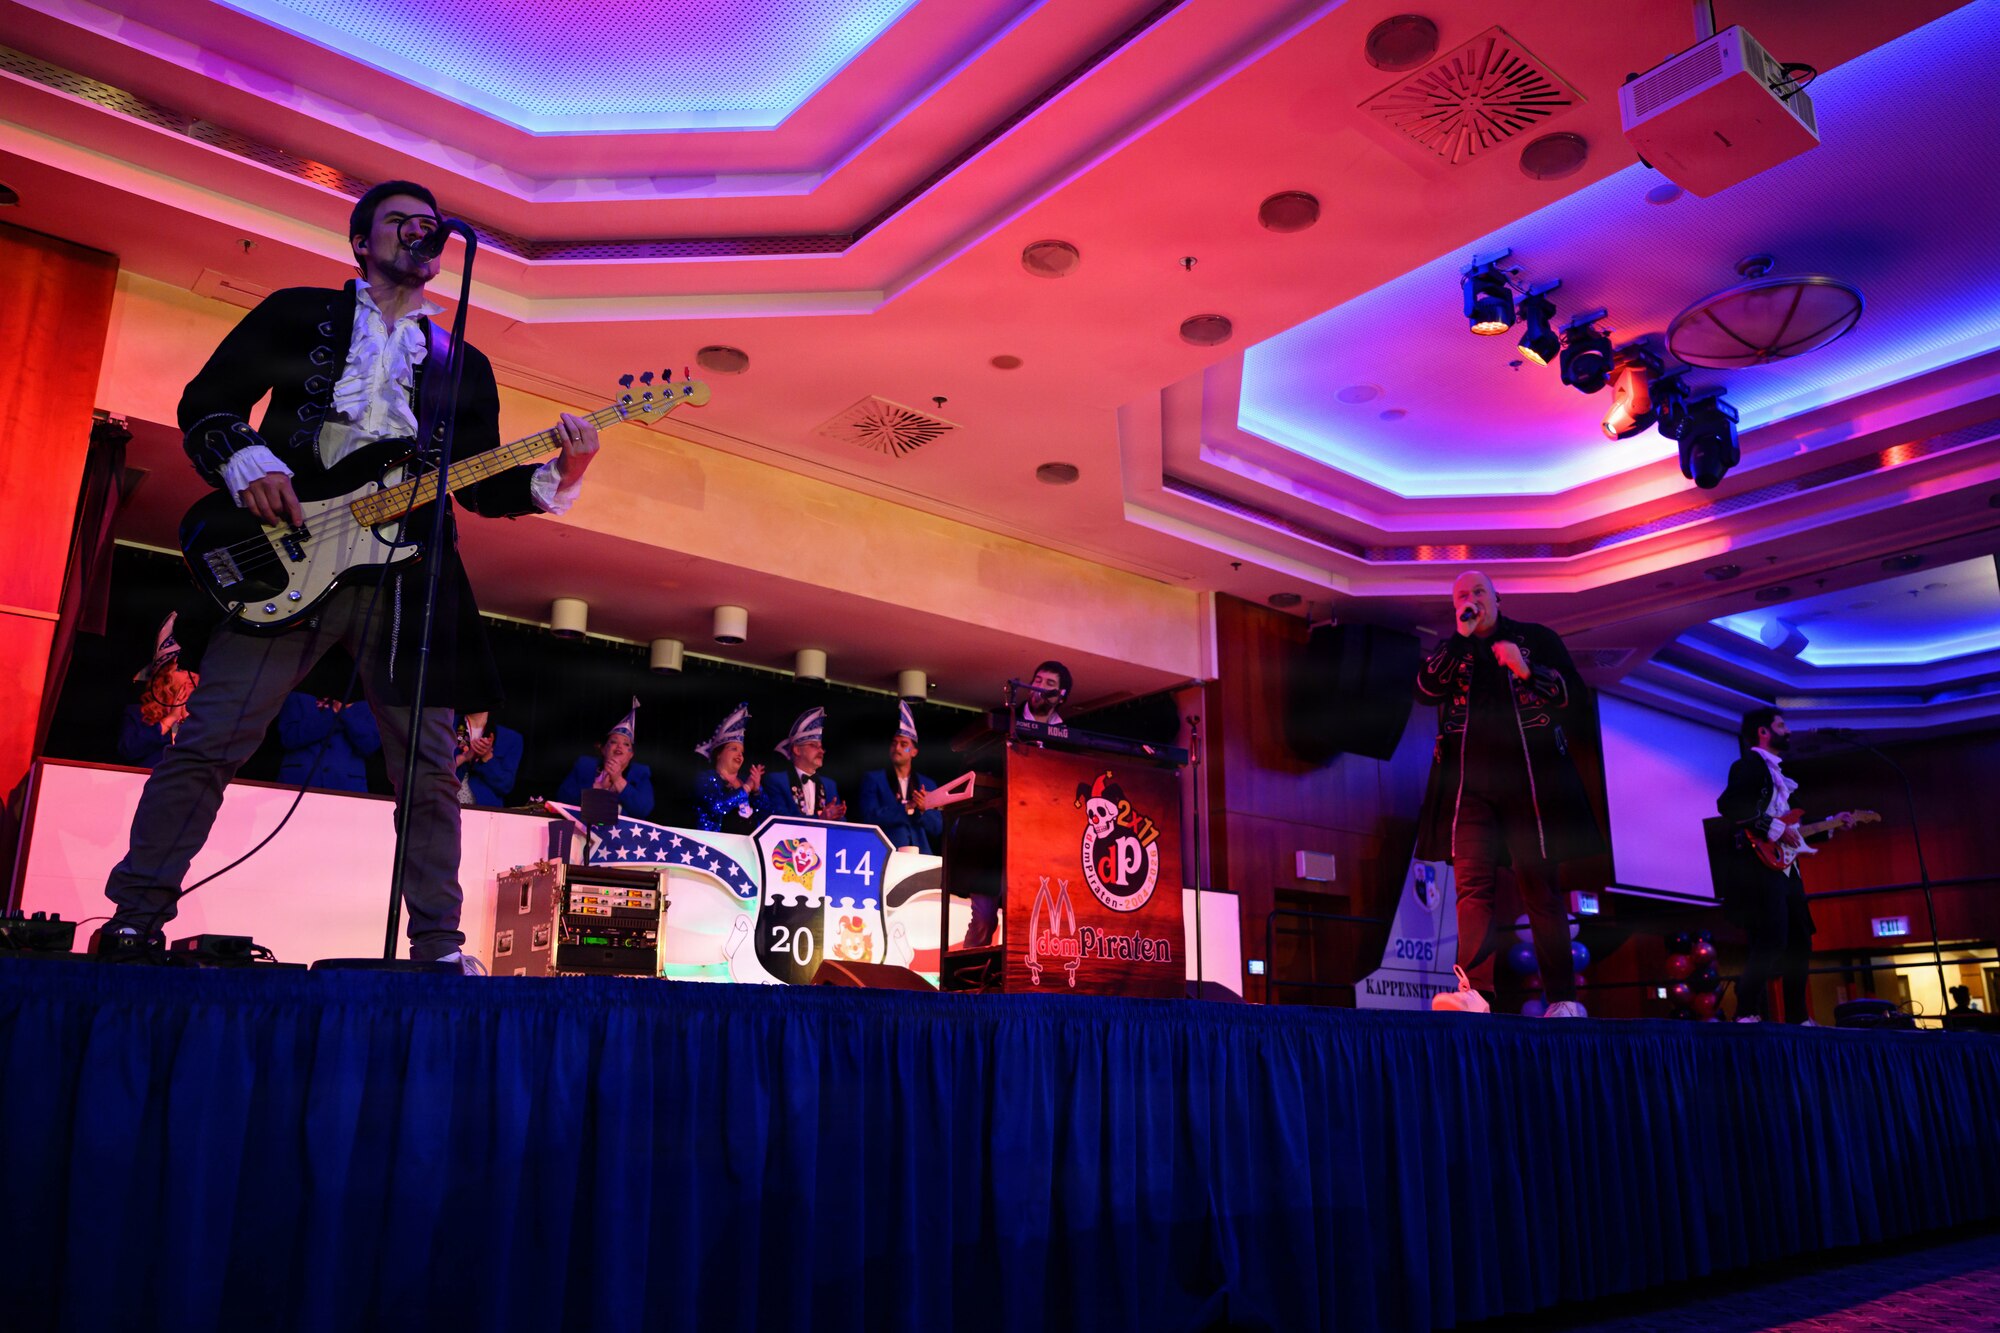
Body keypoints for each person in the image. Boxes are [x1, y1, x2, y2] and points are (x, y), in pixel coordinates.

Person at [96, 179, 600, 967]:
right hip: (291, 550)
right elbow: (208, 402)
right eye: (398, 223)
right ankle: (135, 914)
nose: (417, 234)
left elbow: (478, 477)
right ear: (361, 242)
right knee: (210, 739)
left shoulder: (459, 361)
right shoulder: (298, 313)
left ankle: (436, 945)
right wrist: (248, 461)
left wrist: (561, 473)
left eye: (428, 227)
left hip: (407, 577)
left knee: (430, 770)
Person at [1420, 571, 1603, 1018]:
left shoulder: (1535, 638)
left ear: (1497, 598)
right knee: (1471, 889)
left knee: (1538, 887)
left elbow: (1575, 698)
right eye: (1461, 595)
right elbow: (1425, 690)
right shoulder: (1454, 650)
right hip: (1469, 786)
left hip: (1530, 781)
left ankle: (1562, 998)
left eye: (1478, 592)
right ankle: (1476, 991)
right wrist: (1459, 641)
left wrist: (1527, 669)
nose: (1471, 600)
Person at [1718, 708, 1847, 1025]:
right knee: (1772, 937)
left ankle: (1798, 1015)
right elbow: (1729, 805)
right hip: (1759, 864)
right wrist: (1772, 829)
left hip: (1788, 867)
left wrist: (1833, 824)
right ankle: (1746, 1010)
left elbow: (1796, 825)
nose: (1787, 730)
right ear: (1764, 732)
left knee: (1801, 938)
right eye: (1781, 725)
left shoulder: (1782, 777)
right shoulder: (1747, 766)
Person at [857, 701, 942, 853]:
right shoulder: (874, 779)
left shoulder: (927, 784)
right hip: (885, 852)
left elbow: (937, 827)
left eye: (904, 744)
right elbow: (868, 817)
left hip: (921, 855)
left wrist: (923, 810)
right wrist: (906, 808)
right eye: (894, 743)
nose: (897, 748)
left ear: (914, 752)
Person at [116, 614, 198, 769]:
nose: (190, 675)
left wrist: (189, 722)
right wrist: (170, 719)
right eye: (181, 669)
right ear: (165, 677)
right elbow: (129, 750)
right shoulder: (138, 714)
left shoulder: (205, 717)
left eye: (193, 670)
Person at [556, 697, 654, 818]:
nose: (619, 746)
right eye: (613, 742)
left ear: (631, 754)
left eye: (626, 744)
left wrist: (618, 780)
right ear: (603, 749)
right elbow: (563, 797)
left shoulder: (640, 774)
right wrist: (598, 787)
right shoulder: (585, 766)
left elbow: (643, 810)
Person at [276, 692, 380, 794]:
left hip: (347, 786)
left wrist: (344, 714)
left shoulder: (367, 701)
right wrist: (333, 714)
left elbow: (370, 745)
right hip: (297, 782)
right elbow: (289, 738)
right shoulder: (297, 695)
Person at [691, 702, 768, 834]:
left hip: (748, 847)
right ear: (719, 754)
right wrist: (747, 788)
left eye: (742, 752)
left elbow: (768, 817)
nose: (740, 755)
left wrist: (757, 791)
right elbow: (716, 807)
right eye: (734, 749)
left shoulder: (745, 780)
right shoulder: (706, 778)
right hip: (716, 847)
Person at [762, 707, 845, 820]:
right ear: (797, 750)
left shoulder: (829, 785)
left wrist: (837, 816)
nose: (821, 751)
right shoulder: (776, 781)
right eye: (813, 745)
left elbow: (841, 822)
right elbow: (779, 818)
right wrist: (820, 819)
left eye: (821, 747)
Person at [453, 709, 522, 807]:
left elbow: (505, 786)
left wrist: (487, 757)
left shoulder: (510, 738)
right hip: (443, 807)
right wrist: (464, 757)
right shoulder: (446, 726)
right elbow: (432, 769)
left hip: (486, 814)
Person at [1020, 660, 1070, 725]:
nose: (1040, 687)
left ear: (1061, 697)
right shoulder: (1008, 718)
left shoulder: (1065, 730)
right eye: (1038, 681)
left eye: (1050, 683)